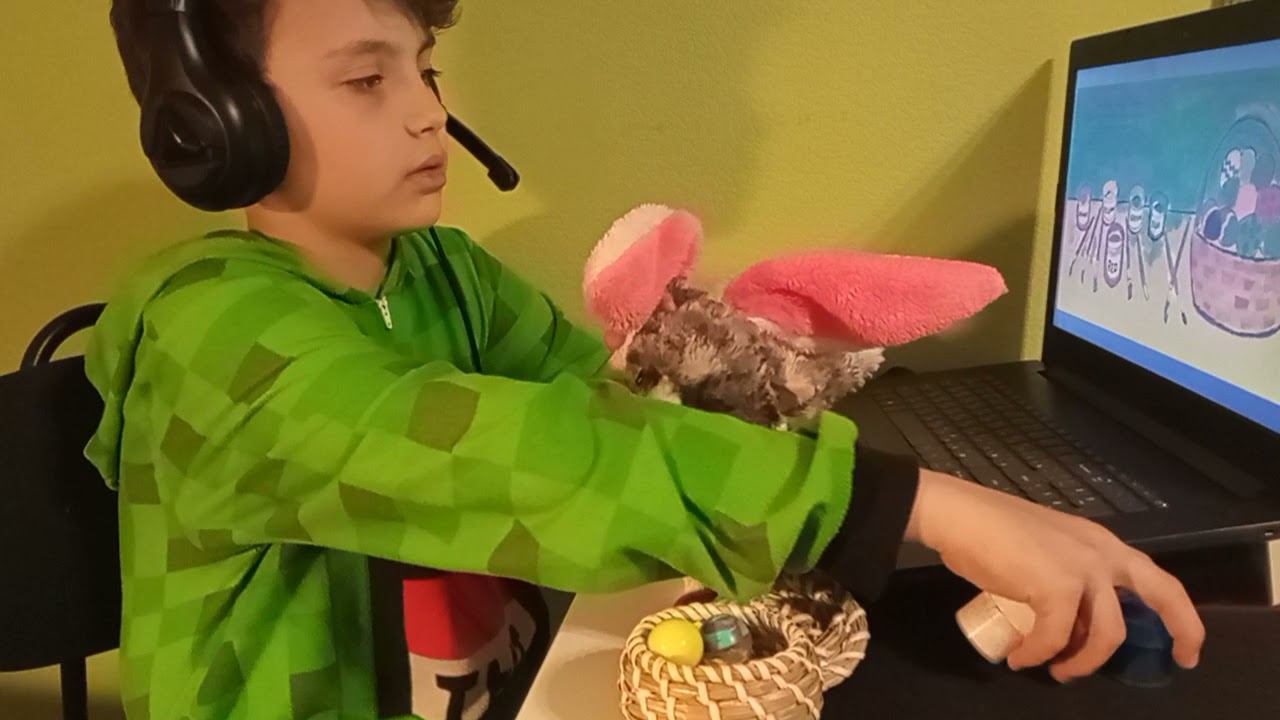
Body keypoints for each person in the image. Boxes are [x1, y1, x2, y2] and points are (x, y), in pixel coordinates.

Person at [88, 1, 1205, 718]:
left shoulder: (444, 274)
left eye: (422, 69)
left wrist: (810, 441)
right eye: (366, 80)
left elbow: (606, 405)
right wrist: (905, 504)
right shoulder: (211, 335)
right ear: (216, 125)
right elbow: (524, 452)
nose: (428, 114)